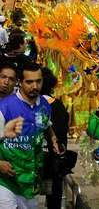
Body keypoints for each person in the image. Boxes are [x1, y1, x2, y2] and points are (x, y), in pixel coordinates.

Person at [0, 63, 63, 209]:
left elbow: (46, 125)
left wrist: (53, 139)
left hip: (30, 182)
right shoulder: (4, 107)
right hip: (5, 182)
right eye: (29, 82)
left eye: (38, 81)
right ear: (20, 82)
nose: (34, 86)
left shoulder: (45, 106)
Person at [41, 68, 69, 209]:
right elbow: (62, 137)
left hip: (27, 163)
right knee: (54, 197)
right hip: (52, 163)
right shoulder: (57, 106)